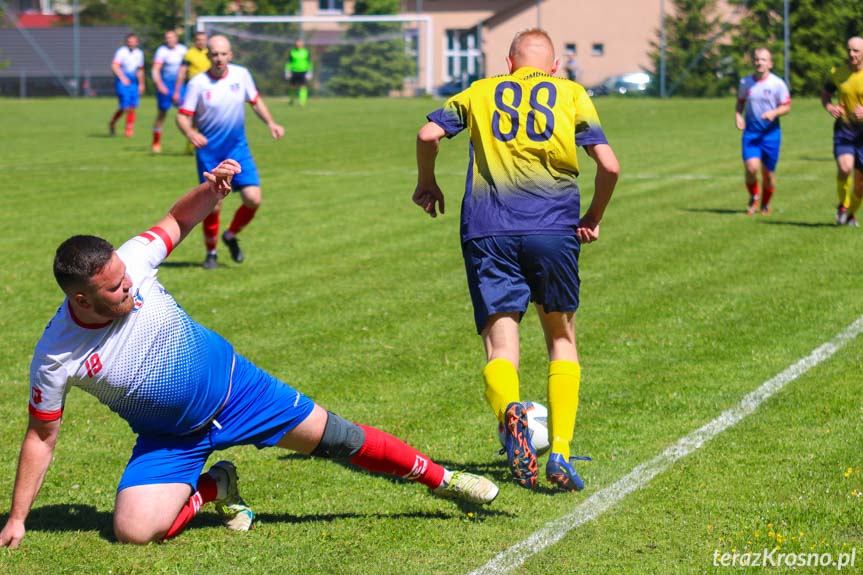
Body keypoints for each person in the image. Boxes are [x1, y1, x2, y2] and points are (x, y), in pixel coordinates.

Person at [0, 159, 499, 549]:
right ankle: (216, 485)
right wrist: (19, 519)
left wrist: (211, 191)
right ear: (81, 299)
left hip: (241, 392)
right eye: (114, 288)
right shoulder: (55, 357)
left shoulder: (131, 262)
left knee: (341, 439)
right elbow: (42, 437)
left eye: (126, 276)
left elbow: (176, 219)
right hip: (170, 438)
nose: (129, 285)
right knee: (133, 532)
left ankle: (446, 480)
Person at [413, 29, 619, 492]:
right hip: (553, 230)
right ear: (553, 68)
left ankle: (512, 414)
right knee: (561, 340)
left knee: (501, 348)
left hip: (488, 229)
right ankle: (561, 451)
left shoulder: (481, 91)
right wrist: (594, 216)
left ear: (509, 63)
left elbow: (428, 133)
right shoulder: (572, 93)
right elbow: (609, 166)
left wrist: (427, 181)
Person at [176, 35, 284, 269]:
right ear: (208, 56)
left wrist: (271, 123)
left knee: (253, 199)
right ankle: (211, 253)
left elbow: (255, 101)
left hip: (238, 148)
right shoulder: (198, 84)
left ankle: (231, 234)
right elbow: (182, 115)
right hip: (210, 153)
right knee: (214, 204)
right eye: (214, 54)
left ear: (230, 55)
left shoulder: (241, 75)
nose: (219, 58)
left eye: (223, 54)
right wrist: (190, 133)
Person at [734, 47, 791, 216]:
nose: (759, 62)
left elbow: (787, 107)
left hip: (771, 135)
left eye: (763, 59)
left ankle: (765, 204)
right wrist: (738, 115)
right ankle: (754, 197)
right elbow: (740, 102)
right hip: (751, 133)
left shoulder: (777, 84)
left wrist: (774, 113)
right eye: (757, 59)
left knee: (768, 175)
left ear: (770, 64)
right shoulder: (745, 83)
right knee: (751, 168)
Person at [822, 36, 863, 227]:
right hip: (844, 131)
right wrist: (830, 108)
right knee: (845, 168)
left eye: (856, 51)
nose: (851, 54)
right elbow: (826, 95)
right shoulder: (838, 72)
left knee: (860, 186)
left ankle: (851, 215)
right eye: (849, 50)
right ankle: (843, 206)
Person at [173, 31, 211, 156]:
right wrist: (177, 90)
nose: (201, 42)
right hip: (193, 91)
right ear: (195, 41)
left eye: (203, 39)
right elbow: (182, 72)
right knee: (192, 120)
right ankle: (191, 146)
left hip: (209, 91)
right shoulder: (189, 54)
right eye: (199, 39)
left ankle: (205, 145)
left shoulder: (210, 53)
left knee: (207, 120)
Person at [150, 30, 188, 154]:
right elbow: (155, 69)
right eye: (166, 38)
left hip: (180, 85)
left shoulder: (183, 50)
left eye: (171, 37)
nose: (168, 40)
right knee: (162, 114)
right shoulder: (161, 51)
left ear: (176, 38)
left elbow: (186, 69)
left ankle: (191, 143)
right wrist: (159, 84)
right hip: (165, 85)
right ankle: (156, 142)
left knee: (186, 113)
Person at [109, 33, 144, 138]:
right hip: (123, 81)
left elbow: (140, 70)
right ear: (126, 42)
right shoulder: (121, 52)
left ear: (137, 42)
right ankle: (113, 122)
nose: (131, 43)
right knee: (125, 106)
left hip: (134, 82)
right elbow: (114, 66)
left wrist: (141, 84)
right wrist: (122, 78)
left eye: (133, 41)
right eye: (129, 41)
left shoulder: (139, 53)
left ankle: (129, 128)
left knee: (132, 106)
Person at [285, 39, 311, 107]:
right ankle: (291, 100)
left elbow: (309, 62)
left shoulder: (306, 52)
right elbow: (289, 62)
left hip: (303, 71)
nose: (298, 44)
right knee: (292, 87)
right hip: (294, 71)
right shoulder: (292, 52)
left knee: (303, 87)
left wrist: (309, 72)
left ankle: (302, 102)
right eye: (297, 43)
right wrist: (287, 72)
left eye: (300, 43)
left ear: (302, 44)